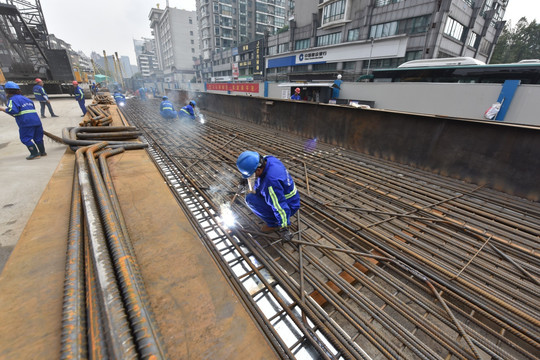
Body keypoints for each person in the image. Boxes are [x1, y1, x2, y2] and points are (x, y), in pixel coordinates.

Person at [236, 151, 300, 235]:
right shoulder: (269, 159)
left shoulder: (270, 183)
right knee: (256, 189)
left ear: (258, 170)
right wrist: (245, 178)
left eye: (251, 174)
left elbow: (279, 205)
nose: (251, 177)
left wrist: (284, 227)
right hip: (291, 196)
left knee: (250, 199)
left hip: (289, 205)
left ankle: (274, 223)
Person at [0, 81, 46, 160]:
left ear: (8, 91)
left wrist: (3, 109)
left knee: (25, 139)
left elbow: (13, 110)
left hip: (26, 123)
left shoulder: (12, 100)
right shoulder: (26, 99)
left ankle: (34, 153)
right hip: (36, 121)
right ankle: (42, 152)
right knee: (38, 138)